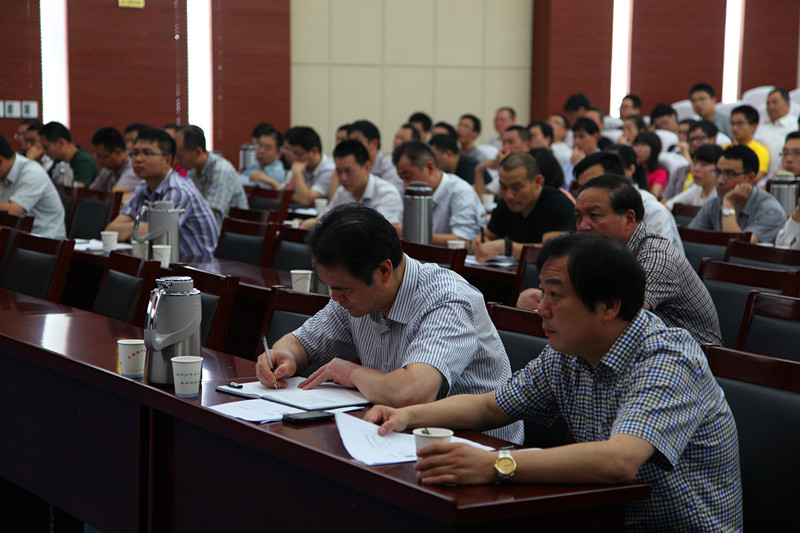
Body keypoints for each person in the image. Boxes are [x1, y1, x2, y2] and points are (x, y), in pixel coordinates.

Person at [365, 232, 742, 531]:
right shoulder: (568, 351)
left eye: (556, 295)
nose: (541, 309)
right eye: (542, 292)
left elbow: (619, 461)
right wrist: (408, 416)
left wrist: (495, 464)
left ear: (609, 305)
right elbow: (490, 406)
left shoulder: (668, 358)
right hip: (597, 516)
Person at [255, 204, 523, 444]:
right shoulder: (355, 297)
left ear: (383, 271)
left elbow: (414, 393)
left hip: (479, 448)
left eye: (342, 290)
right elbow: (302, 342)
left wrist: (351, 373)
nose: (334, 298)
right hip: (394, 436)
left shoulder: (448, 299)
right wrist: (285, 355)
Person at [106, 127, 219, 257]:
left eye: (147, 153)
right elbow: (111, 230)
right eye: (135, 153)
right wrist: (137, 227)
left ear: (167, 161)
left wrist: (135, 228)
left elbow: (156, 235)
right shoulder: (143, 187)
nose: (138, 159)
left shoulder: (178, 190)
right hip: (166, 261)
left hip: (198, 265)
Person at [573, 150, 683, 254]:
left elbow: (657, 253)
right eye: (581, 187)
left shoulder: (653, 210)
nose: (582, 227)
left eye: (594, 215)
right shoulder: (585, 207)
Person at [470, 152, 575, 261]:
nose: (509, 195)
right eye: (503, 187)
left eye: (517, 188)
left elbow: (553, 253)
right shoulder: (506, 204)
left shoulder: (559, 205)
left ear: (538, 181)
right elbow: (487, 237)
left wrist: (506, 247)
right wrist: (479, 243)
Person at [393, 141, 486, 244]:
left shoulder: (460, 191)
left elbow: (465, 241)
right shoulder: (410, 192)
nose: (406, 185)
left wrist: (411, 234)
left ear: (430, 168)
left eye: (408, 177)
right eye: (402, 178)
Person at [689, 144, 785, 243]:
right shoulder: (714, 203)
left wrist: (728, 205)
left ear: (750, 178)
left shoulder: (771, 211)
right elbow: (688, 239)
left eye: (730, 174)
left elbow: (739, 248)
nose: (720, 181)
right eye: (718, 172)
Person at [300, 140, 402, 228]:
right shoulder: (342, 192)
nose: (343, 178)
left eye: (348, 171)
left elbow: (380, 231)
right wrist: (306, 223)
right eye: (339, 171)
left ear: (367, 167)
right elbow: (325, 219)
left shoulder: (387, 193)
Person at [175, 125, 248, 226]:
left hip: (233, 231)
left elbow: (209, 214)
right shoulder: (193, 171)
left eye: (180, 156)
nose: (177, 161)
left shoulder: (221, 170)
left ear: (197, 152)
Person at [0, 134, 66, 239]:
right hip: (17, 239)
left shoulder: (32, 173)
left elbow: (13, 210)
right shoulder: (4, 172)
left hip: (46, 242)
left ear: (0, 162)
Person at [281, 126, 335, 206]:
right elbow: (282, 193)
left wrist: (297, 173)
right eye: (293, 153)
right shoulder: (300, 164)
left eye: (298, 154)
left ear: (314, 151)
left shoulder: (329, 170)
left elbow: (306, 200)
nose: (295, 158)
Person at [348, 120, 404, 193]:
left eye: (357, 142)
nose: (352, 148)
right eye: (350, 143)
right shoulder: (351, 168)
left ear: (374, 143)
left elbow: (392, 194)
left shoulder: (390, 166)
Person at [474, 125, 532, 196]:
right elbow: (485, 197)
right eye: (503, 143)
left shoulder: (535, 166)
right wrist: (479, 169)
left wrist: (502, 165)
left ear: (527, 145)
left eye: (511, 142)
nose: (504, 148)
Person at [88, 127, 141, 202]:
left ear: (117, 152)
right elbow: (90, 193)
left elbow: (112, 197)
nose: (99, 161)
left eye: (102, 157)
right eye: (97, 156)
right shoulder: (108, 169)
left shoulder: (133, 169)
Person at [755, 87, 798, 179]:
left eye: (775, 102)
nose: (771, 107)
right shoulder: (759, 126)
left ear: (787, 104)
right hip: (758, 173)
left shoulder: (795, 126)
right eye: (768, 103)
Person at [38, 121, 99, 186]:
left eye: (46, 147)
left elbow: (77, 190)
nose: (44, 151)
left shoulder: (84, 161)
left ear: (61, 143)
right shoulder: (59, 160)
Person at [666, 144, 722, 210]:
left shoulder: (720, 194)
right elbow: (669, 206)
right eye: (694, 163)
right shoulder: (697, 189)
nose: (696, 169)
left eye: (704, 165)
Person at [727, 104, 770, 182]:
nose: (734, 128)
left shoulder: (759, 151)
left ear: (754, 126)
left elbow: (756, 177)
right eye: (732, 123)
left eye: (739, 123)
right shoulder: (727, 147)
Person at [771, 133, 800, 248]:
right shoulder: (777, 182)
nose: (789, 159)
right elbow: (781, 246)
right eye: (785, 153)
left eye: (797, 153)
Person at [238, 123, 287, 189]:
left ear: (279, 154)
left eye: (267, 148)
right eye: (260, 145)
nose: (261, 151)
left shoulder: (277, 173)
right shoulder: (256, 164)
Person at [632, 132, 667, 198]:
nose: (637, 149)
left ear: (654, 149)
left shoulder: (660, 172)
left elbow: (654, 195)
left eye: (643, 145)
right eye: (636, 145)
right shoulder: (631, 169)